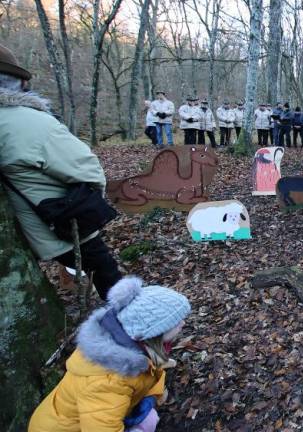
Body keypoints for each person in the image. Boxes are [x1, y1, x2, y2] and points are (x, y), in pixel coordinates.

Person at [0, 43, 122, 301]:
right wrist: (92, 204)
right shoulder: (27, 122)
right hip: (59, 223)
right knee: (107, 273)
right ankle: (133, 326)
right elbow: (87, 169)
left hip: (31, 227)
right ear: (17, 83)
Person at [29, 277, 191, 431]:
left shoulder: (129, 344)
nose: (183, 323)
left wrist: (151, 395)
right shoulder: (106, 384)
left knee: (149, 417)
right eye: (175, 322)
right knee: (149, 421)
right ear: (152, 333)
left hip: (94, 418)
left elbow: (150, 371)